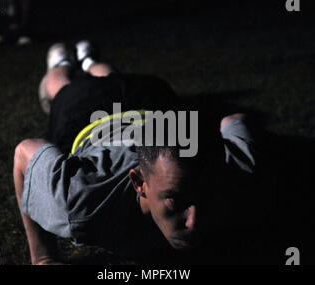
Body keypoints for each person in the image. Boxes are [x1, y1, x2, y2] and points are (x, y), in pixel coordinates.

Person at [13, 40, 257, 264]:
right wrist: (43, 258)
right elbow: (25, 152)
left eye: (202, 196)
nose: (195, 221)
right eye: (177, 199)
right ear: (139, 182)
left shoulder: (231, 176)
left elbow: (234, 119)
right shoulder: (80, 199)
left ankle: (88, 60)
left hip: (150, 99)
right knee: (63, 90)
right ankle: (62, 62)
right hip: (90, 116)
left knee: (113, 78)